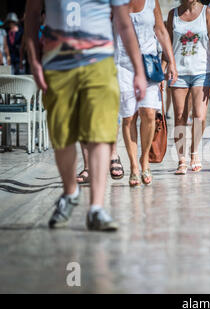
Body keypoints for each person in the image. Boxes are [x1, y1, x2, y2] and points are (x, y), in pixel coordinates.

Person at [25, 0, 147, 231]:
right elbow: (31, 15)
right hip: (58, 64)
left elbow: (124, 23)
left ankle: (97, 208)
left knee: (100, 134)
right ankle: (70, 192)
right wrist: (33, 60)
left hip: (99, 64)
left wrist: (139, 71)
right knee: (62, 135)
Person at [116, 0, 177, 186]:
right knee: (129, 117)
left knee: (149, 114)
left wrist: (171, 61)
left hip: (148, 63)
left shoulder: (151, 2)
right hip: (123, 64)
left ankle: (144, 160)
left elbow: (160, 30)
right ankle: (134, 165)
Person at [167, 0, 210, 175]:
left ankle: (194, 151)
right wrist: (163, 70)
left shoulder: (207, 12)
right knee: (180, 116)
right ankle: (181, 159)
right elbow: (167, 44)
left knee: (199, 116)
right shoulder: (172, 15)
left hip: (201, 71)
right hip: (179, 72)